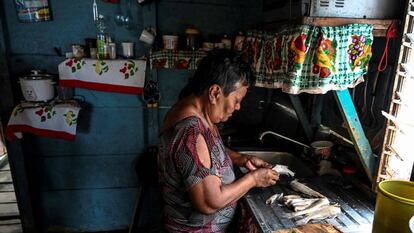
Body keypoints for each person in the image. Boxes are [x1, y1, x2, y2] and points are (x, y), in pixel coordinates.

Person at [158, 50, 279, 233]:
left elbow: (207, 151)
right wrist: (253, 179)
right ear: (215, 92)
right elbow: (209, 202)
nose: (238, 107)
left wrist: (241, 158)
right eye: (237, 100)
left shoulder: (197, 110)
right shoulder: (190, 132)